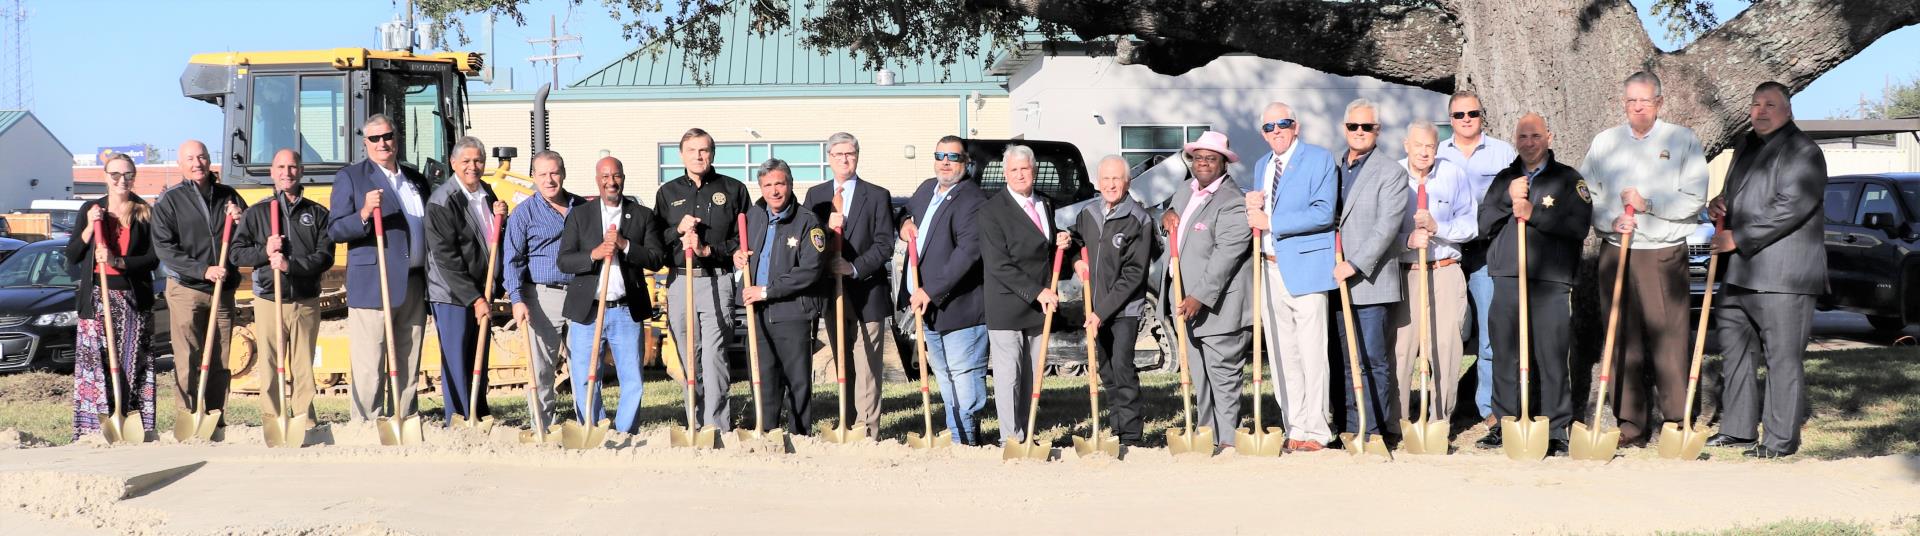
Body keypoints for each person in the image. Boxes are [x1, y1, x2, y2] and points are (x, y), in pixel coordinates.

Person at [1578, 71, 1710, 448]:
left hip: (1663, 253)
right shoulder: (1606, 142)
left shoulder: (1681, 140)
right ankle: (1630, 424)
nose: (1637, 108)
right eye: (1631, 101)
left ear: (1659, 103)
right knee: (1622, 340)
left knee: (1669, 340)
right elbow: (1588, 193)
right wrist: (1610, 218)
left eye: (1645, 101)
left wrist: (1648, 204)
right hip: (1618, 250)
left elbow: (1694, 198)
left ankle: (1675, 421)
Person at [1707, 81, 1827, 459]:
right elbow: (1740, 194)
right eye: (1756, 103)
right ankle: (1739, 430)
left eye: (1770, 105)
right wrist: (1720, 203)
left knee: (1782, 358)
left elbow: (1790, 206)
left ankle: (1778, 441)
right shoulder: (1746, 145)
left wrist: (1737, 238)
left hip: (1783, 276)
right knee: (1736, 352)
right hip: (1740, 274)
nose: (1760, 111)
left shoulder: (1804, 151)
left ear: (1788, 111)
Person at [1475, 113, 1593, 456]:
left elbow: (1579, 226)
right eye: (1523, 137)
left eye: (1535, 136)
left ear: (1549, 137)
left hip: (1550, 279)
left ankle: (1556, 428)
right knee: (1505, 353)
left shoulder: (1569, 179)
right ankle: (1504, 422)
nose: (1529, 142)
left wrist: (1534, 213)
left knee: (1552, 354)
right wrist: (1506, 200)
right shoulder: (1504, 179)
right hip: (1509, 276)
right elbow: (1483, 225)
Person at [1244, 102, 1340, 452]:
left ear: (1295, 126)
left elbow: (1324, 212)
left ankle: (1316, 430)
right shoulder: (1261, 166)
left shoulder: (1319, 159)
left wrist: (1272, 223)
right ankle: (1294, 427)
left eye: (1283, 123)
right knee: (1283, 354)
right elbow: (1259, 217)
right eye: (1269, 127)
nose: (1277, 131)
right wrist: (1252, 209)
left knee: (1313, 352)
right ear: (1264, 133)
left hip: (1308, 268)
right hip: (1269, 267)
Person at [327, 114, 433, 424]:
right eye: (374, 139)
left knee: (409, 356)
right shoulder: (352, 177)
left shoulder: (415, 180)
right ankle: (366, 422)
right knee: (369, 360)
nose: (382, 143)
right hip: (375, 282)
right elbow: (334, 229)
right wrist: (363, 212)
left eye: (387, 136)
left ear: (396, 139)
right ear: (365, 144)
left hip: (414, 281)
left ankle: (404, 417)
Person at [557, 157, 669, 433]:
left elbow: (656, 258)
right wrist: (594, 254)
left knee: (631, 377)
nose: (611, 182)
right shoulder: (580, 215)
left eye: (616, 176)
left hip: (625, 310)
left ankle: (625, 431)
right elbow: (564, 261)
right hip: (588, 311)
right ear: (597, 179)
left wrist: (625, 245)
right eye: (605, 176)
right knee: (585, 377)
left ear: (623, 178)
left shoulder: (642, 216)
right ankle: (593, 427)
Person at [1161, 131, 1253, 452]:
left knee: (1223, 377)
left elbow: (1226, 256)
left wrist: (1199, 296)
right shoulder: (1186, 191)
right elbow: (1173, 212)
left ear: (1224, 163)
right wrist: (1167, 215)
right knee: (1199, 376)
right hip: (1185, 304)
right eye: (1198, 158)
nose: (1203, 163)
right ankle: (1206, 436)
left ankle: (1227, 441)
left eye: (1211, 159)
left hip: (1219, 307)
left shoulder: (1232, 202)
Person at [655, 128, 750, 433]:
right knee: (687, 359)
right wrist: (677, 232)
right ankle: (694, 423)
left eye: (704, 150)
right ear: (681, 155)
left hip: (716, 281)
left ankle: (717, 426)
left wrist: (709, 250)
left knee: (715, 356)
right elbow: (655, 243)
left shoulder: (733, 189)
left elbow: (742, 240)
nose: (699, 156)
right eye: (692, 150)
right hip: (680, 283)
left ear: (713, 154)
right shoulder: (667, 193)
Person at [804, 132, 897, 439]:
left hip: (867, 291)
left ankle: (867, 428)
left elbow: (885, 243)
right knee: (843, 360)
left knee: (867, 363)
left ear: (857, 156)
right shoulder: (815, 196)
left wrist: (855, 267)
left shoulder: (877, 194)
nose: (845, 159)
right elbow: (808, 241)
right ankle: (846, 421)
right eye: (838, 154)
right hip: (833, 294)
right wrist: (825, 232)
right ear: (829, 158)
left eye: (850, 154)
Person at [899, 135, 991, 445]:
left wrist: (930, 291)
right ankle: (956, 436)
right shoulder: (927, 189)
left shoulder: (972, 200)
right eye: (940, 155)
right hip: (930, 310)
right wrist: (904, 224)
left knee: (964, 379)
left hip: (960, 308)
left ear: (966, 163)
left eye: (953, 157)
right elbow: (904, 212)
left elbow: (967, 254)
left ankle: (966, 440)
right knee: (945, 377)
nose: (945, 162)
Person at [230, 149, 334, 423]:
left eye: (292, 167)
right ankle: (273, 417)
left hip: (305, 300)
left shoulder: (317, 213)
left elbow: (324, 256)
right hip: (268, 299)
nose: (286, 172)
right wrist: (265, 251)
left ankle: (303, 417)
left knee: (302, 365)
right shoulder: (257, 213)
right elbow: (237, 253)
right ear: (272, 173)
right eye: (281, 167)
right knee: (270, 364)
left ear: (300, 171)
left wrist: (291, 266)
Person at [1329, 99, 1410, 445]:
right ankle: (1350, 425)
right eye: (1353, 126)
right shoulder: (1331, 166)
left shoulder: (1391, 172)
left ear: (1377, 131)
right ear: (1344, 128)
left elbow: (1386, 227)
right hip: (1333, 278)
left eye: (1367, 127)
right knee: (1344, 360)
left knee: (1373, 359)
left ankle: (1375, 429)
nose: (1359, 132)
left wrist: (1354, 264)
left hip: (1369, 279)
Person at [978, 144, 1070, 446]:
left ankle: (1027, 430)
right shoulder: (992, 210)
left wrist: (1063, 241)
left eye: (1025, 169)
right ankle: (1011, 438)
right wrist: (1036, 291)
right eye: (1014, 170)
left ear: (1034, 170)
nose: (1020, 174)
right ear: (1005, 174)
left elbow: (1045, 248)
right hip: (1007, 302)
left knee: (1032, 374)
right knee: (1009, 374)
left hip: (1040, 304)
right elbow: (998, 263)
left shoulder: (1045, 203)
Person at [1437, 90, 1519, 425]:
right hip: (1449, 252)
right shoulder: (1438, 154)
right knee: (1449, 332)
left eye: (1472, 113)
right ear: (1450, 119)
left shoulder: (1502, 153)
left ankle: (1490, 410)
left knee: (1489, 332)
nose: (1466, 120)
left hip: (1488, 252)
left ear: (1481, 115)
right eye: (1459, 115)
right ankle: (1442, 405)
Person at [151, 139, 244, 433]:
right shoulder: (170, 200)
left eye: (201, 157)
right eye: (190, 159)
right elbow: (165, 249)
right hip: (187, 289)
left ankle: (215, 416)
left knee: (220, 354)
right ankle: (188, 414)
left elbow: (249, 237)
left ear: (209, 160)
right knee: (188, 355)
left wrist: (241, 221)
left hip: (223, 290)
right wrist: (203, 270)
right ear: (180, 165)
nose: (197, 163)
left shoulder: (228, 196)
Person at [1390, 122, 1476, 428]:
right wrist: (1407, 240)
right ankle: (1397, 422)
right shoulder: (1393, 176)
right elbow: (1383, 231)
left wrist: (1438, 228)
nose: (1424, 152)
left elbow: (1470, 226)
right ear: (1406, 145)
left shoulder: (1453, 174)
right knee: (1401, 348)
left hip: (1444, 270)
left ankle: (1440, 419)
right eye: (1418, 146)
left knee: (1447, 347)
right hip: (1407, 272)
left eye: (1430, 146)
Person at [69, 153, 160, 440]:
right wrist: (88, 229)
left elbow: (153, 258)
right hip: (97, 298)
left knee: (131, 364)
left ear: (134, 177)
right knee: (96, 365)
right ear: (105, 176)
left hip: (132, 299)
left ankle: (133, 423)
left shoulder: (144, 211)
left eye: (128, 175)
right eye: (116, 175)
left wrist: (118, 262)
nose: (122, 180)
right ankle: (92, 429)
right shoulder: (90, 209)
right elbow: (72, 255)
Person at [1067, 155, 1153, 446]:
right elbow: (1075, 242)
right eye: (1105, 179)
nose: (1111, 184)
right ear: (1098, 182)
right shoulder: (1088, 213)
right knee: (1105, 368)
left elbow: (1134, 274)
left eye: (1116, 179)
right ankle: (1116, 428)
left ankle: (1130, 434)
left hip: (1123, 310)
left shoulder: (1139, 219)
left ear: (1127, 182)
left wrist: (1101, 312)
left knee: (1122, 367)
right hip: (1095, 307)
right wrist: (1075, 260)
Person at [736, 159, 825, 435]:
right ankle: (767, 432)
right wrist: (737, 258)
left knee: (797, 382)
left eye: (779, 184)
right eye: (767, 185)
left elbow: (810, 270)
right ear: (760, 188)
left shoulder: (807, 221)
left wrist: (767, 290)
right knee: (763, 380)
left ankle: (800, 436)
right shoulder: (754, 217)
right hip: (757, 313)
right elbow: (743, 251)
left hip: (793, 313)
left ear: (790, 184)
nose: (774, 191)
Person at [425, 136, 508, 424]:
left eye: (478, 160)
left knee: (478, 357)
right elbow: (446, 257)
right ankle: (458, 418)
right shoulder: (443, 201)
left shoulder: (487, 192)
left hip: (482, 290)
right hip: (453, 294)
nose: (473, 166)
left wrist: (502, 217)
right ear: (453, 164)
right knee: (458, 358)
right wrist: (474, 298)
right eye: (466, 161)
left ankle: (478, 411)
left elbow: (491, 238)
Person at [504, 150, 586, 428]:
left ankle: (587, 420)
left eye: (554, 173)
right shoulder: (523, 214)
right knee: (542, 367)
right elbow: (512, 260)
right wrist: (516, 299)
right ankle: (543, 424)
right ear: (534, 177)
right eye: (542, 174)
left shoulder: (582, 208)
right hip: (541, 296)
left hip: (580, 292)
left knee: (584, 363)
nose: (549, 180)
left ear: (563, 173)